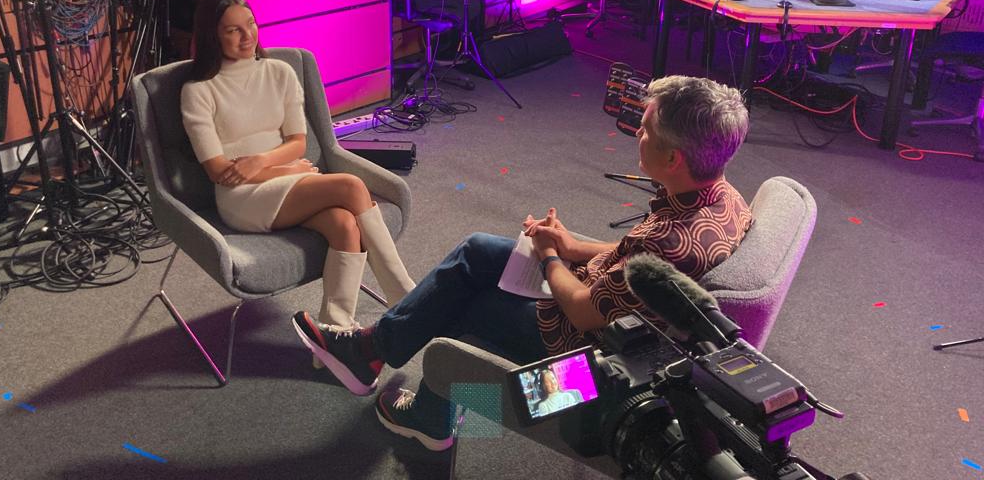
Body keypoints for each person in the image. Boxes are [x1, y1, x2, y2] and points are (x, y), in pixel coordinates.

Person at [293, 75, 752, 451]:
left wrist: (551, 254)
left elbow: (581, 309)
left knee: (462, 306)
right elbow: (633, 261)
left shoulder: (669, 241)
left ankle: (428, 414)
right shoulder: (725, 200)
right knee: (477, 250)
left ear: (673, 158)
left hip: (587, 366)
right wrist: (571, 246)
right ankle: (372, 350)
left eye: (647, 130)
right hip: (626, 323)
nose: (638, 133)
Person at [180, 0, 416, 337]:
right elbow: (219, 171)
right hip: (242, 199)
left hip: (283, 180)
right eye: (233, 30)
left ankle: (334, 334)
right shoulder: (198, 90)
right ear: (212, 36)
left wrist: (262, 162)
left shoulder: (280, 72)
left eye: (251, 24)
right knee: (350, 185)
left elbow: (297, 143)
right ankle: (405, 298)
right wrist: (282, 170)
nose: (247, 36)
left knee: (344, 225)